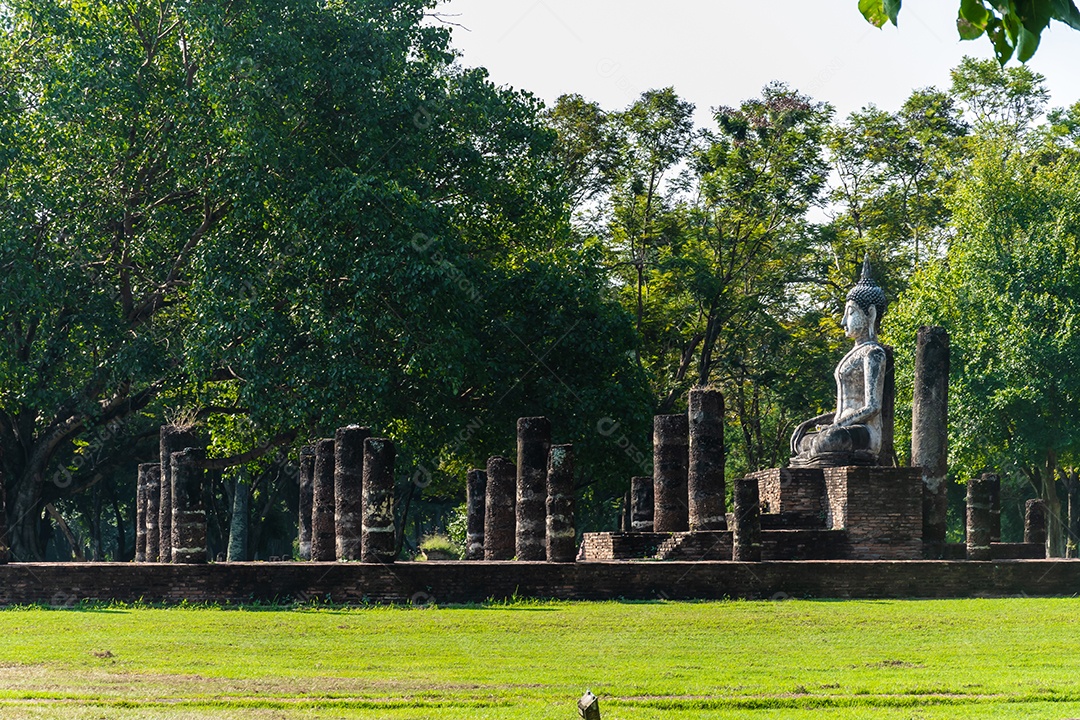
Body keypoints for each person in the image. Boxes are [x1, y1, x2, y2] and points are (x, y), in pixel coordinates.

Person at [790, 256, 887, 467]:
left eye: (850, 312)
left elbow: (872, 407)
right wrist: (812, 422)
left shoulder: (873, 353)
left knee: (827, 440)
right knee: (802, 442)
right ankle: (813, 455)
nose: (843, 320)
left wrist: (835, 427)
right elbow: (845, 407)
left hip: (865, 433)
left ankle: (819, 453)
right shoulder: (853, 354)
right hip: (843, 427)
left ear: (870, 313)